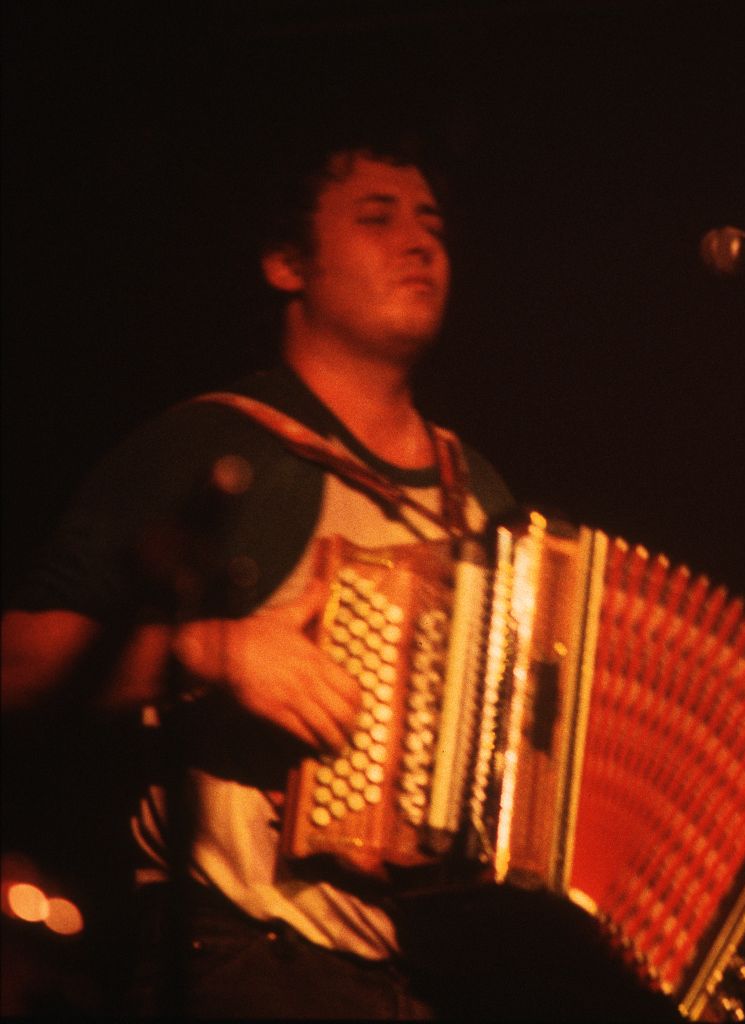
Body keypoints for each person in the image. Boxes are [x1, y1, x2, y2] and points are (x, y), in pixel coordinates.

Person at [2, 131, 516, 1019]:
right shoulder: (217, 447)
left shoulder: (486, 502)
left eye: (432, 225)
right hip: (244, 963)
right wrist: (217, 651)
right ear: (287, 264)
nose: (420, 244)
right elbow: (15, 662)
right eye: (377, 219)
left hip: (426, 989)